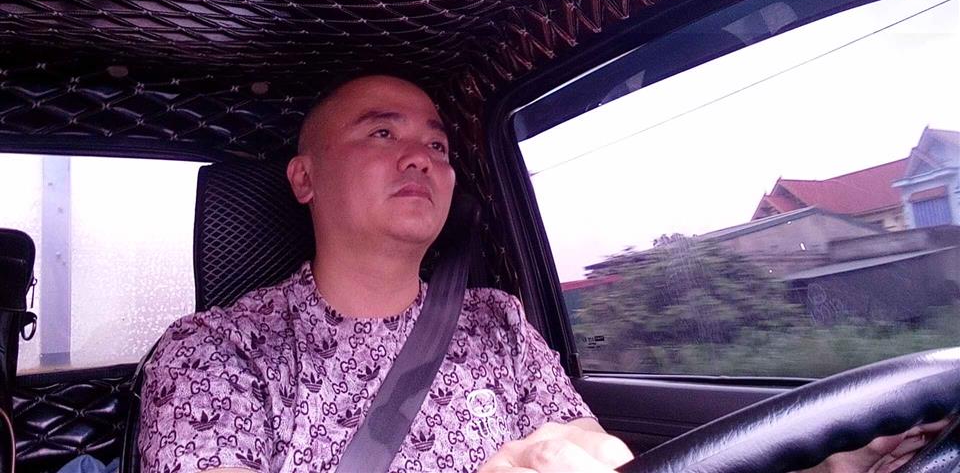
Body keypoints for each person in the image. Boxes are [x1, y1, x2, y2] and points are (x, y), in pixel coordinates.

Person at [139, 75, 944, 473]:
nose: (422, 156)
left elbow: (593, 455)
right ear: (304, 178)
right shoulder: (213, 354)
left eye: (438, 144)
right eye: (381, 133)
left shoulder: (495, 322)